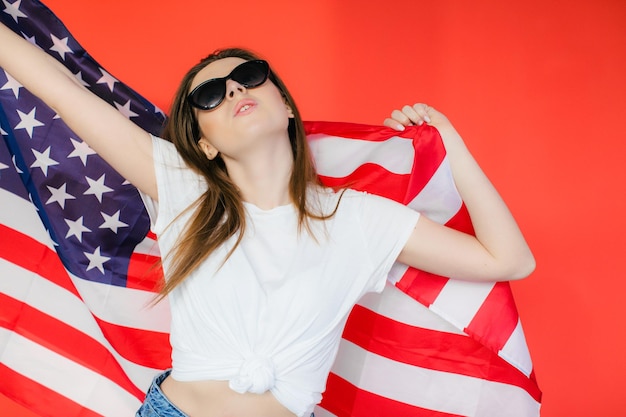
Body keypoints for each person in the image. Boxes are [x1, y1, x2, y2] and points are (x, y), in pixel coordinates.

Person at [0, 22, 535, 417]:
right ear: (203, 142)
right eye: (210, 94)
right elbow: (61, 91)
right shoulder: (186, 190)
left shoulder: (358, 219)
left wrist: (451, 142)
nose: (234, 90)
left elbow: (508, 260)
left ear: (286, 106)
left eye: (248, 77)